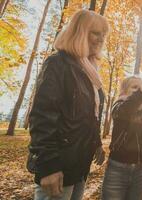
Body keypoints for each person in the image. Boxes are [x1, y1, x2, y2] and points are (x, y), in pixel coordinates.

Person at [27, 10, 109, 200]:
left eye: (103, 34)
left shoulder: (90, 72)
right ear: (79, 32)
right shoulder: (58, 63)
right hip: (58, 167)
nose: (101, 39)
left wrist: (96, 143)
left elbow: (89, 116)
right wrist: (49, 166)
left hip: (79, 167)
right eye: (96, 32)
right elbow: (42, 116)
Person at [101, 71, 142, 200]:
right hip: (117, 170)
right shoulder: (119, 106)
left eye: (140, 87)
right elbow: (129, 107)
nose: (139, 90)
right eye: (135, 87)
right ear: (124, 91)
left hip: (140, 170)